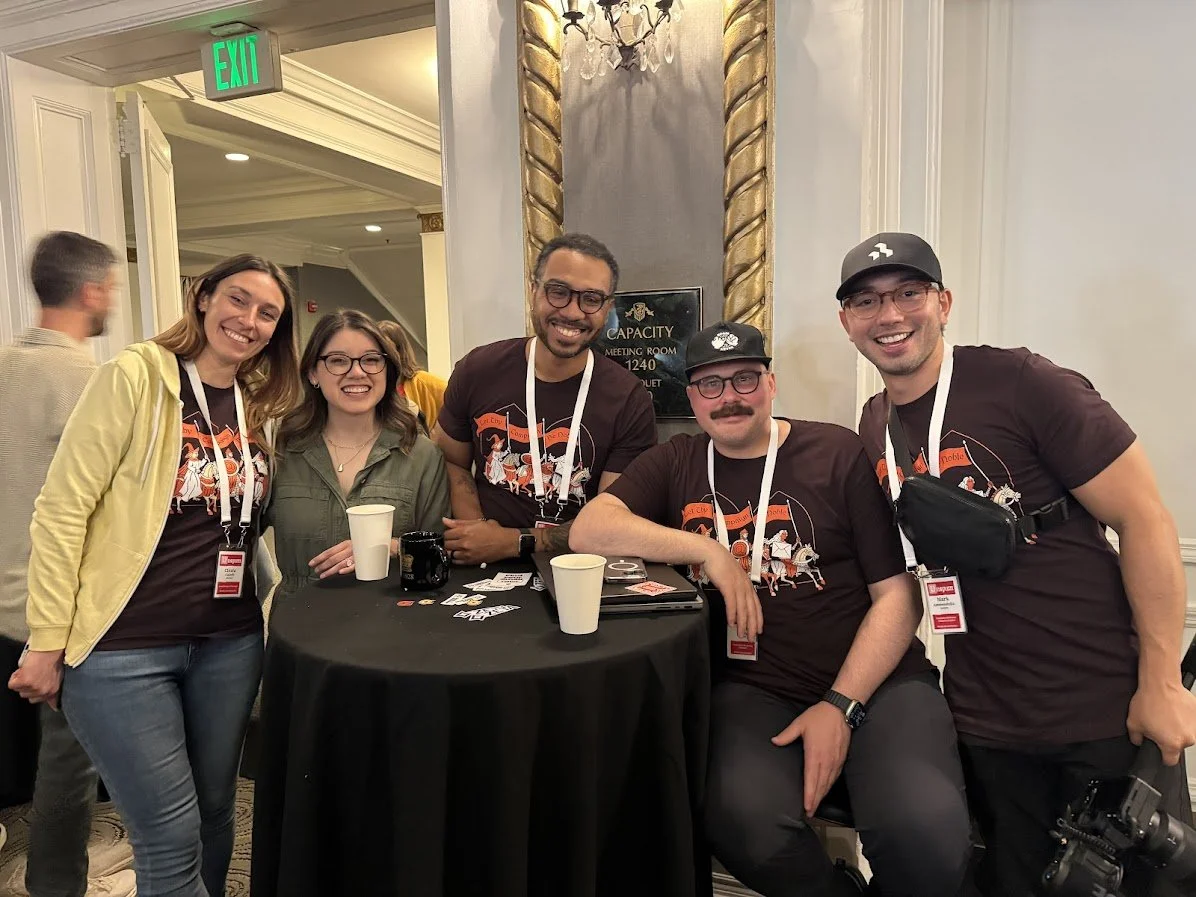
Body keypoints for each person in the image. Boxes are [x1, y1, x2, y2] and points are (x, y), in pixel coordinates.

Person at [837, 232, 1196, 896]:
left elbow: (1144, 517)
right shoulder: (872, 423)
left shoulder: (1022, 382)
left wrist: (1162, 681)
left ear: (944, 302)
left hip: (1101, 707)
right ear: (846, 321)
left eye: (908, 293)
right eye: (866, 301)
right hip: (987, 719)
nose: (889, 316)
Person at [570, 321, 971, 897]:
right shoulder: (678, 460)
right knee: (742, 824)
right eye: (710, 385)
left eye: (744, 379)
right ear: (691, 398)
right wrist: (707, 550)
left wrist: (840, 704)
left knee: (925, 835)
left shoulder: (833, 450)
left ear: (771, 383)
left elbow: (898, 596)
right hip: (754, 688)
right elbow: (590, 528)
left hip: (877, 682)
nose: (728, 397)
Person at [8, 254, 302, 897]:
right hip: (124, 649)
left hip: (228, 641)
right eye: (237, 299)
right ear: (203, 300)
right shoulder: (136, 376)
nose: (248, 320)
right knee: (169, 836)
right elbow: (61, 511)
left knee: (217, 813)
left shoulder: (256, 407)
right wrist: (48, 638)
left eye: (267, 313)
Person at [0, 232, 135, 897]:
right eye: (112, 285)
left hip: (0, 599)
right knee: (66, 765)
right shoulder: (92, 380)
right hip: (55, 609)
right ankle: (58, 884)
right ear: (91, 291)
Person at [432, 232, 657, 564]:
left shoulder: (628, 398)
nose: (572, 311)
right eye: (558, 292)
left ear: (608, 307)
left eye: (591, 299)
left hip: (581, 568)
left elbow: (615, 521)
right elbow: (451, 459)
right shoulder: (478, 369)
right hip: (481, 569)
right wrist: (474, 532)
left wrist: (513, 541)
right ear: (533, 289)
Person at [266, 310, 450, 602]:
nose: (357, 372)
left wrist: (388, 547)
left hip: (392, 626)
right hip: (300, 627)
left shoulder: (421, 455)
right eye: (338, 360)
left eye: (371, 360)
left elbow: (444, 550)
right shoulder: (280, 449)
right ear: (313, 372)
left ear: (388, 372)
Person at [377, 318, 447, 432]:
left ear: (400, 350)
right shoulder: (372, 385)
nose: (384, 356)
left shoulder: (423, 382)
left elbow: (457, 406)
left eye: (388, 349)